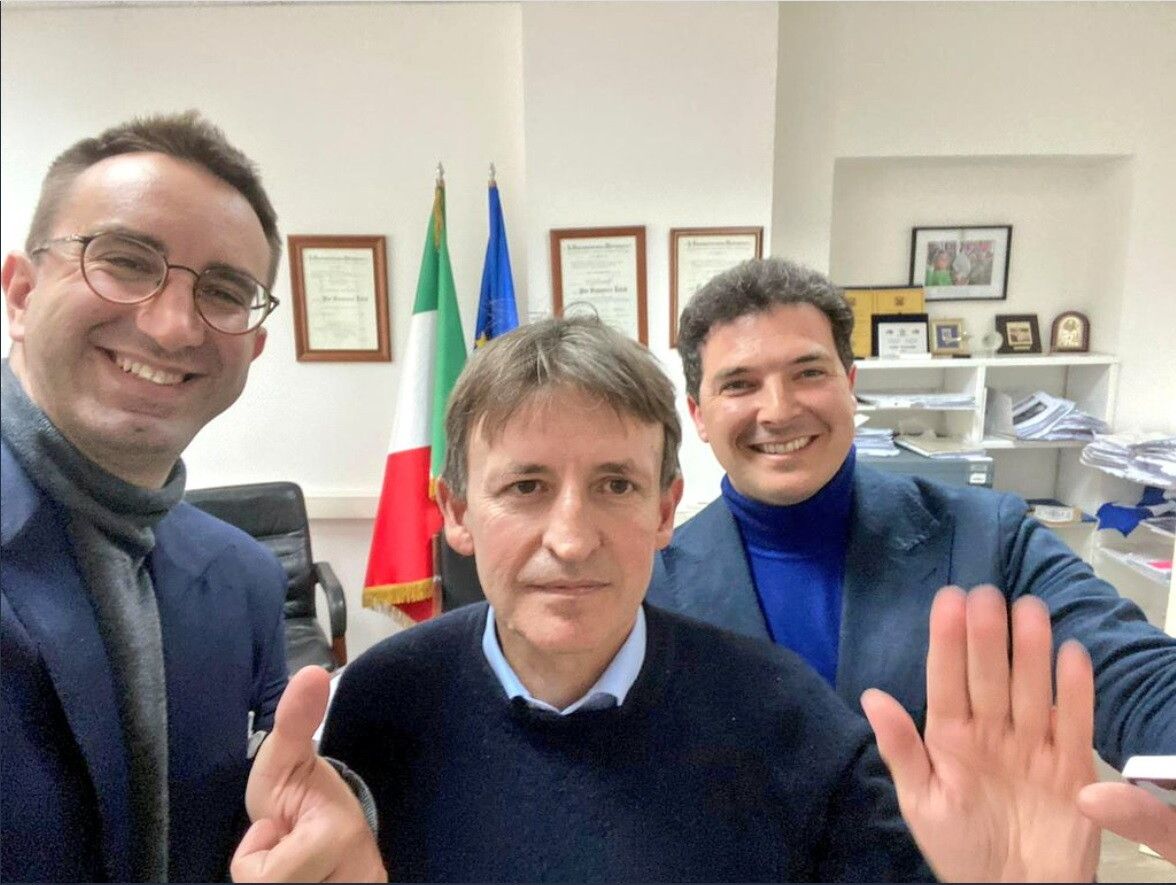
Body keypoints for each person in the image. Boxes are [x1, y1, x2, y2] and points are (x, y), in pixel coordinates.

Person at [318, 315, 1102, 882]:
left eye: (615, 484)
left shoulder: (788, 717)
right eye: (526, 486)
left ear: (665, 511)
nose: (572, 538)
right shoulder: (386, 701)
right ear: (456, 511)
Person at [1, 112, 381, 882]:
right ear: (20, 292)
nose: (173, 326)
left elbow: (264, 787)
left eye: (225, 291)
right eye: (125, 260)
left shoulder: (243, 578)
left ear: (254, 346)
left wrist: (334, 814)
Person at [647, 257, 1176, 771]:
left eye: (808, 372)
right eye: (739, 384)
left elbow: (1134, 673)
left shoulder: (988, 537)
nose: (779, 411)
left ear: (849, 385)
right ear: (699, 415)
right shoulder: (650, 581)